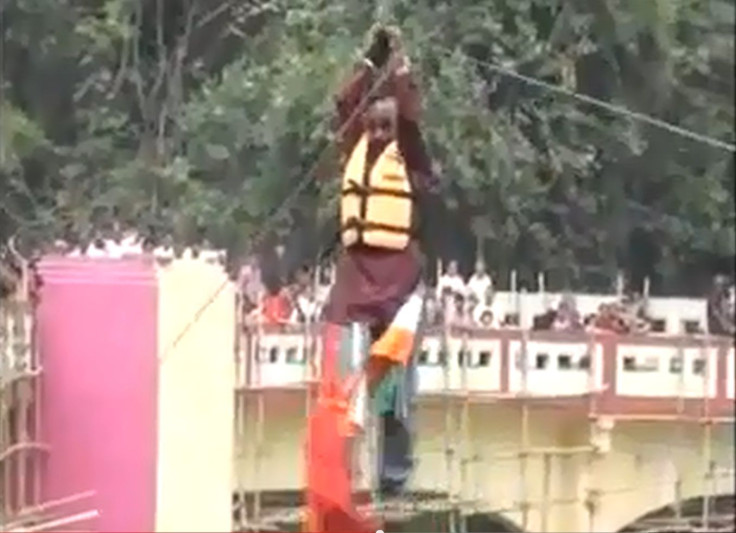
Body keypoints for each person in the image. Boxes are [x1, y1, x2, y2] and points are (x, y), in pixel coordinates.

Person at [308, 24, 444, 532]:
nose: (381, 127)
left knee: (395, 387)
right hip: (355, 274)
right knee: (339, 376)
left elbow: (411, 114)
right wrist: (372, 57)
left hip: (400, 277)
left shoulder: (409, 152)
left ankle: (394, 476)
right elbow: (344, 100)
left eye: (387, 121)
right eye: (374, 120)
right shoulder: (354, 146)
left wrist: (402, 64)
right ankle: (338, 470)